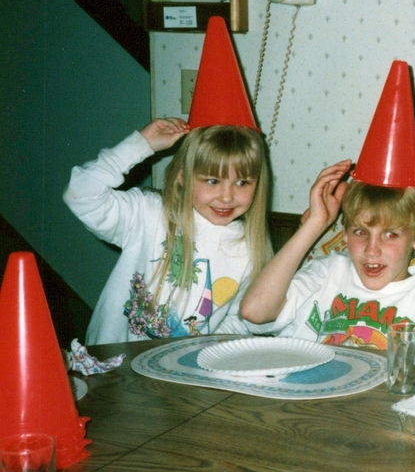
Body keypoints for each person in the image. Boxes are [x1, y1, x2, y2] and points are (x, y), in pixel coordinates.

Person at [240, 60, 415, 355]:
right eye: (361, 232)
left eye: (391, 235)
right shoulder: (327, 274)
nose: (371, 250)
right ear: (345, 232)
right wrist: (314, 224)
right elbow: (254, 311)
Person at [64, 17, 272, 345]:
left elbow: (240, 321)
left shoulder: (249, 249)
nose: (227, 196)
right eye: (212, 181)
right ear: (181, 177)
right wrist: (141, 145)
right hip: (112, 365)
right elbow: (81, 194)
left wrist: (204, 350)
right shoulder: (148, 215)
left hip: (180, 371)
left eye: (243, 182)